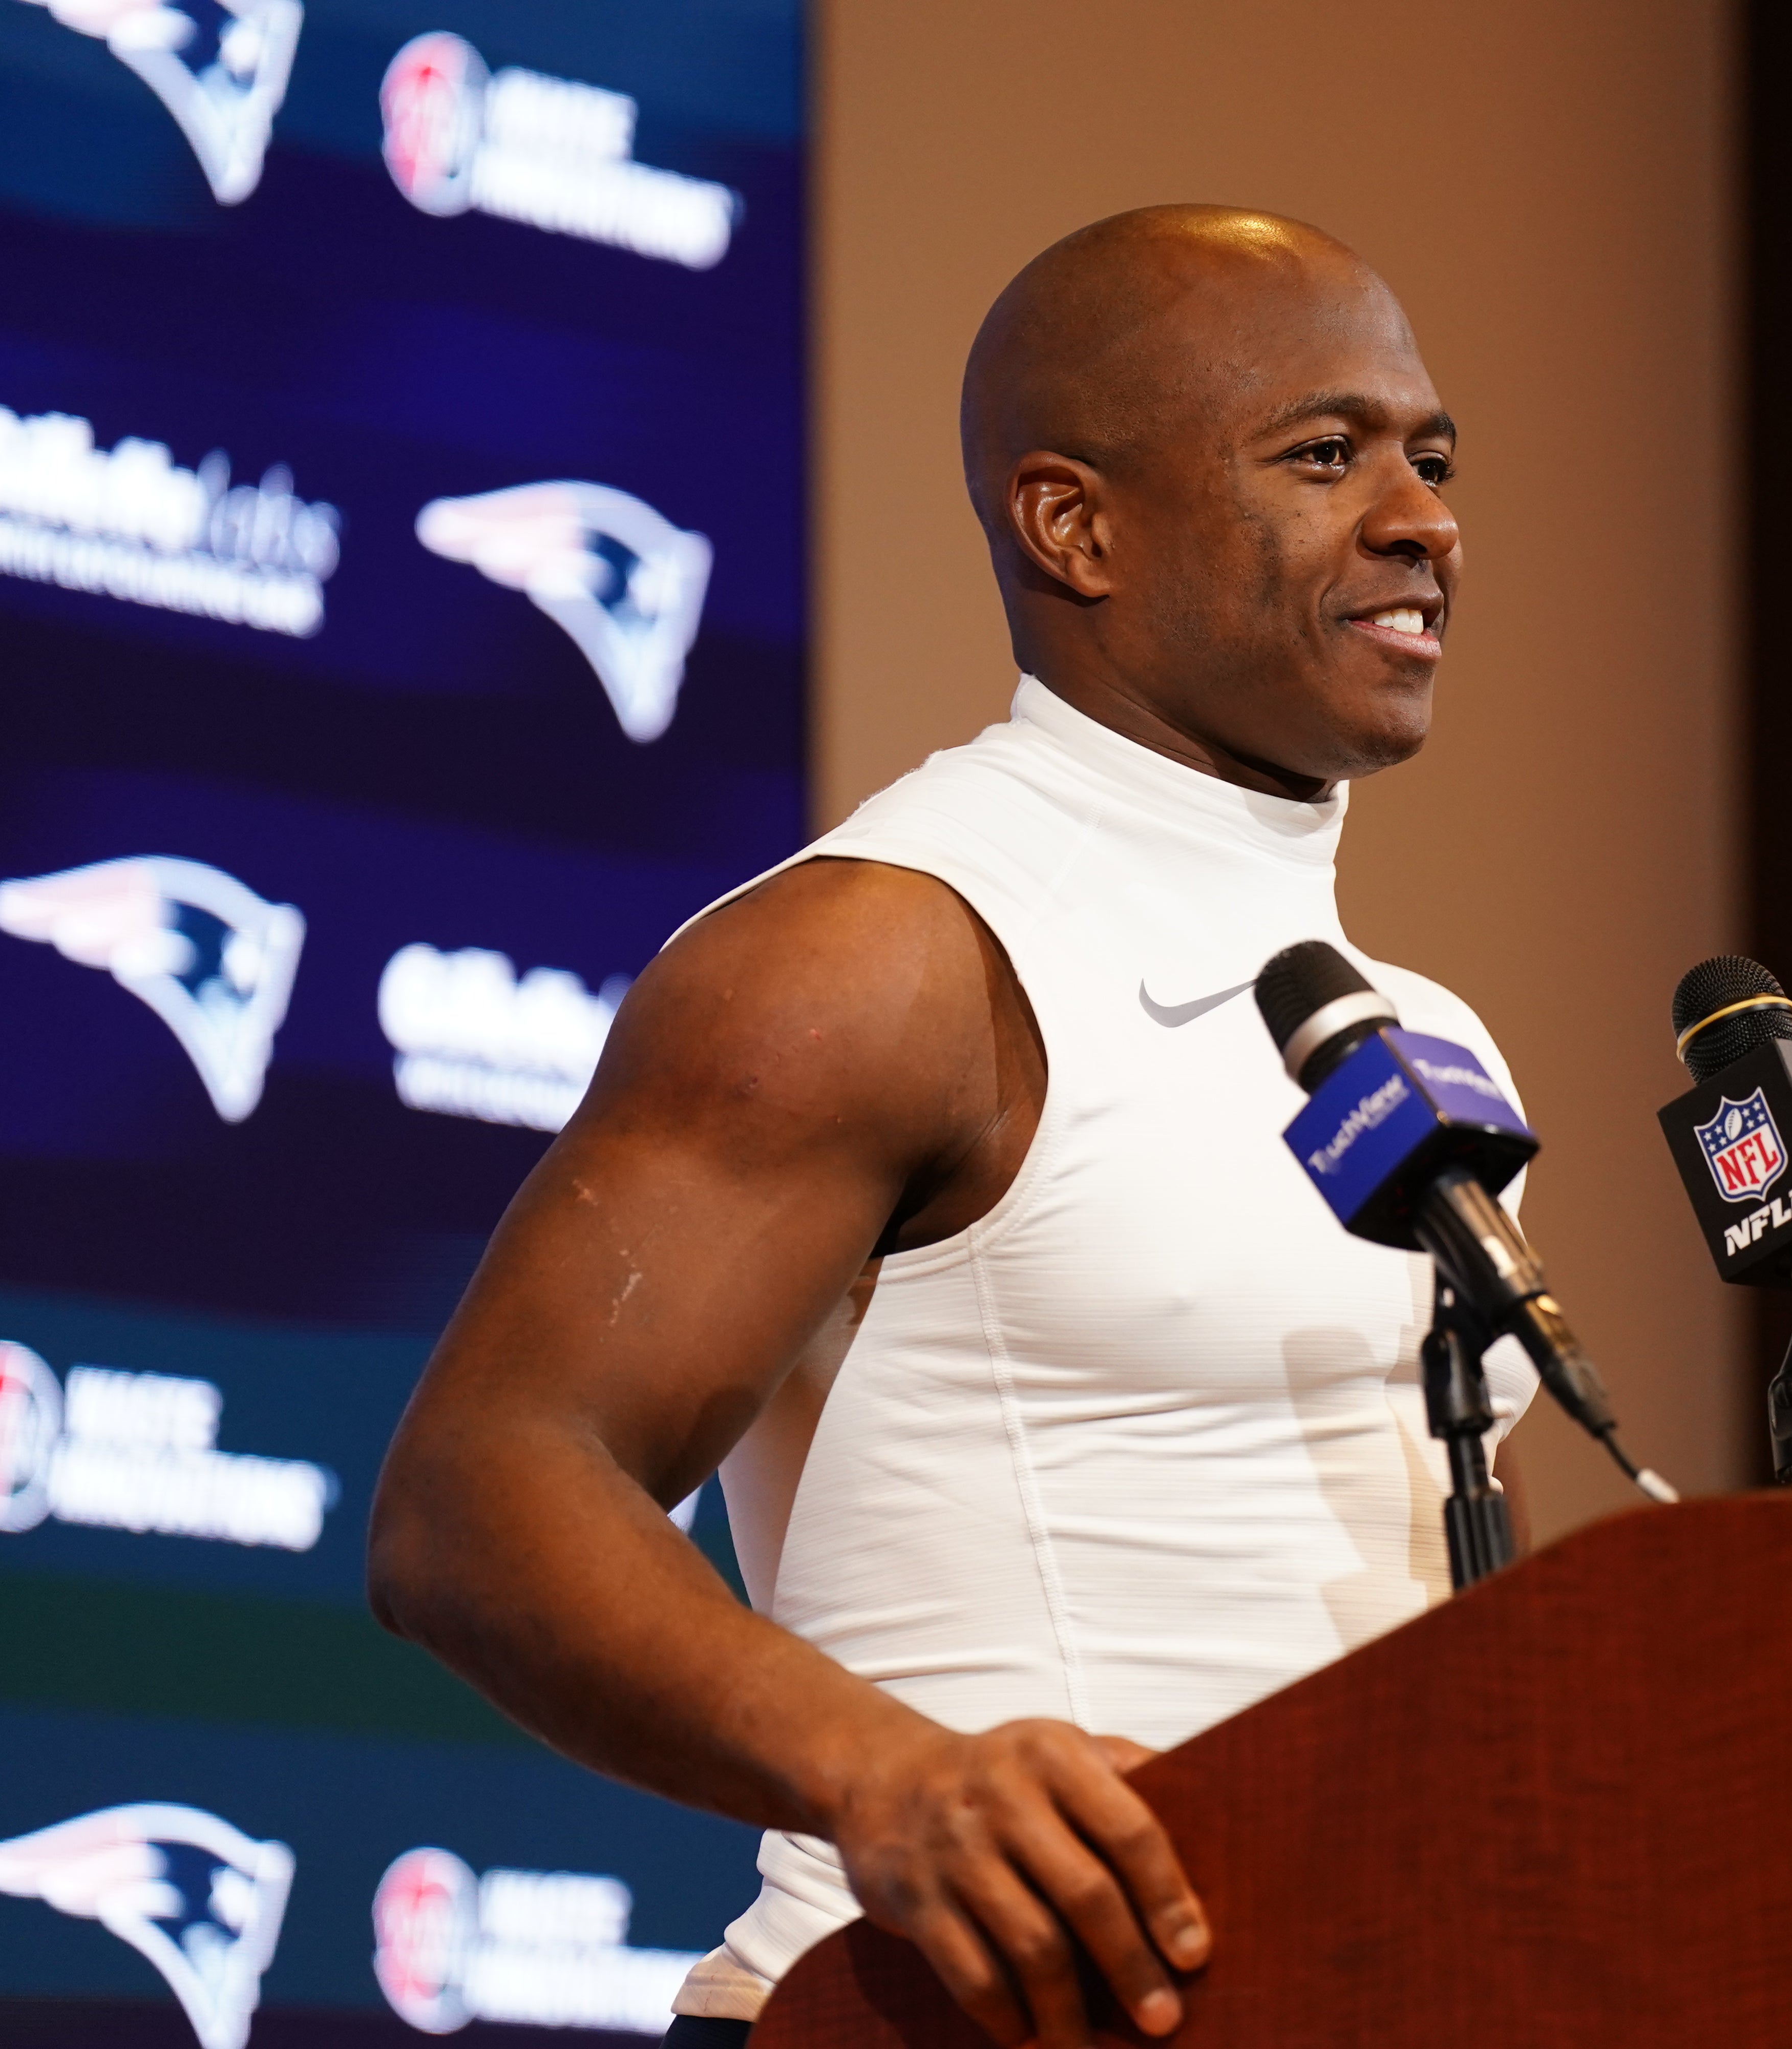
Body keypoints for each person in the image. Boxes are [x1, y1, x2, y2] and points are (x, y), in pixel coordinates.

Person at [366, 204, 1536, 2048]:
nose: (1424, 520)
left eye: (1433, 459)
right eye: (1327, 456)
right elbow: (476, 1501)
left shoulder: (1422, 1041)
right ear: (1073, 524)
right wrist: (891, 1779)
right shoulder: (879, 956)